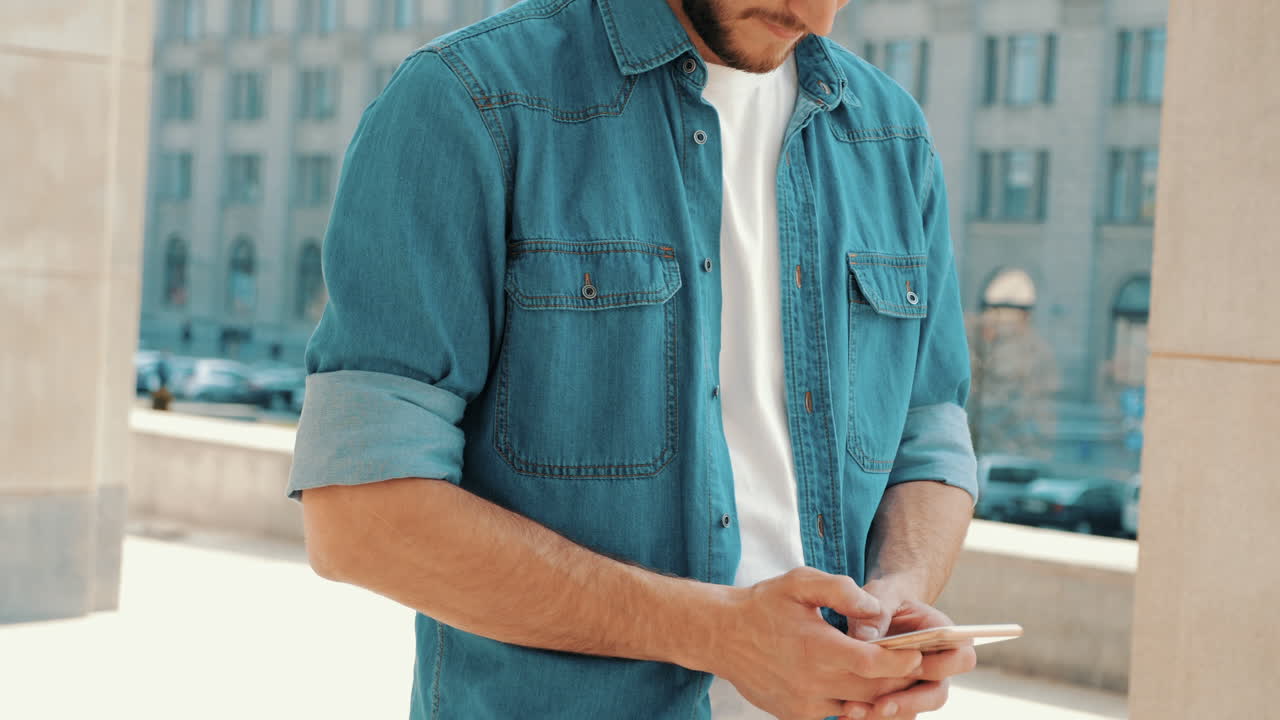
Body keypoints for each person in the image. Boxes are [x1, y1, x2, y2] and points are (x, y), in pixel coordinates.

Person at [288, 1, 980, 718]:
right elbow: (359, 517)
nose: (816, 14)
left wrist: (899, 594)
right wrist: (718, 635)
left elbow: (929, 430)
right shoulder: (468, 98)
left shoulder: (891, 136)